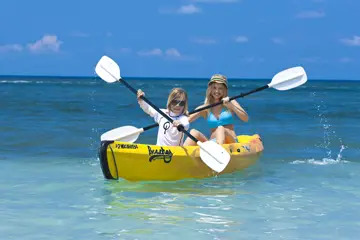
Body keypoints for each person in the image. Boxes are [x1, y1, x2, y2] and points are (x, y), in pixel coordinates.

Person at [183, 74, 248, 146]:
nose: (217, 91)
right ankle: (180, 155)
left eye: (220, 88)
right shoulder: (206, 108)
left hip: (231, 142)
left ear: (224, 90)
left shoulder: (230, 102)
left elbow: (245, 118)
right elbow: (186, 120)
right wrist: (179, 118)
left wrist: (232, 106)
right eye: (214, 88)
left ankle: (219, 152)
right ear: (210, 89)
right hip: (213, 142)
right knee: (193, 132)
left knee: (220, 128)